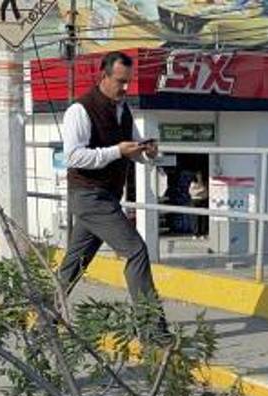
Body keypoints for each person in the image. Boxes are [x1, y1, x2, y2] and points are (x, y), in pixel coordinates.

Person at [58, 51, 166, 338]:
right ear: (103, 76)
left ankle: (44, 320)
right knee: (136, 251)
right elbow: (73, 157)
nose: (125, 88)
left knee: (73, 265)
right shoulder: (80, 110)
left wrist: (148, 152)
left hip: (107, 196)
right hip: (89, 196)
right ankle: (154, 332)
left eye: (128, 81)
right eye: (120, 81)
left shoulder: (123, 110)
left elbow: (131, 149)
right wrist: (117, 151)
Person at [189, 171, 209, 238]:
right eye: (198, 175)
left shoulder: (204, 183)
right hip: (195, 201)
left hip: (203, 200)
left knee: (203, 218)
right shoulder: (193, 183)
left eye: (200, 175)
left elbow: (206, 193)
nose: (199, 176)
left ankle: (202, 233)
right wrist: (200, 190)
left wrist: (200, 191)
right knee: (195, 218)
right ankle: (195, 233)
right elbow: (192, 193)